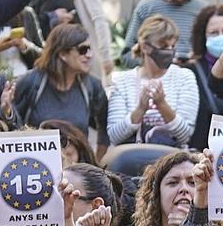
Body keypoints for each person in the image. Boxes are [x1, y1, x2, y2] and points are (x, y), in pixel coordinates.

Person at [11, 22, 108, 151]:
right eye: (83, 50)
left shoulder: (92, 86)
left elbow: (104, 127)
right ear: (62, 54)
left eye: (90, 49)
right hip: (37, 165)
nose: (89, 55)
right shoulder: (31, 82)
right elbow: (12, 128)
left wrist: (97, 162)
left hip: (77, 167)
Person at [107, 15, 200, 146]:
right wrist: (140, 109)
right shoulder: (122, 80)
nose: (169, 51)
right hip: (130, 159)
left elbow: (185, 135)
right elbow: (114, 136)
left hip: (171, 159)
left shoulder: (184, 77)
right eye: (162, 45)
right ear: (145, 47)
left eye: (172, 46)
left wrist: (162, 104)